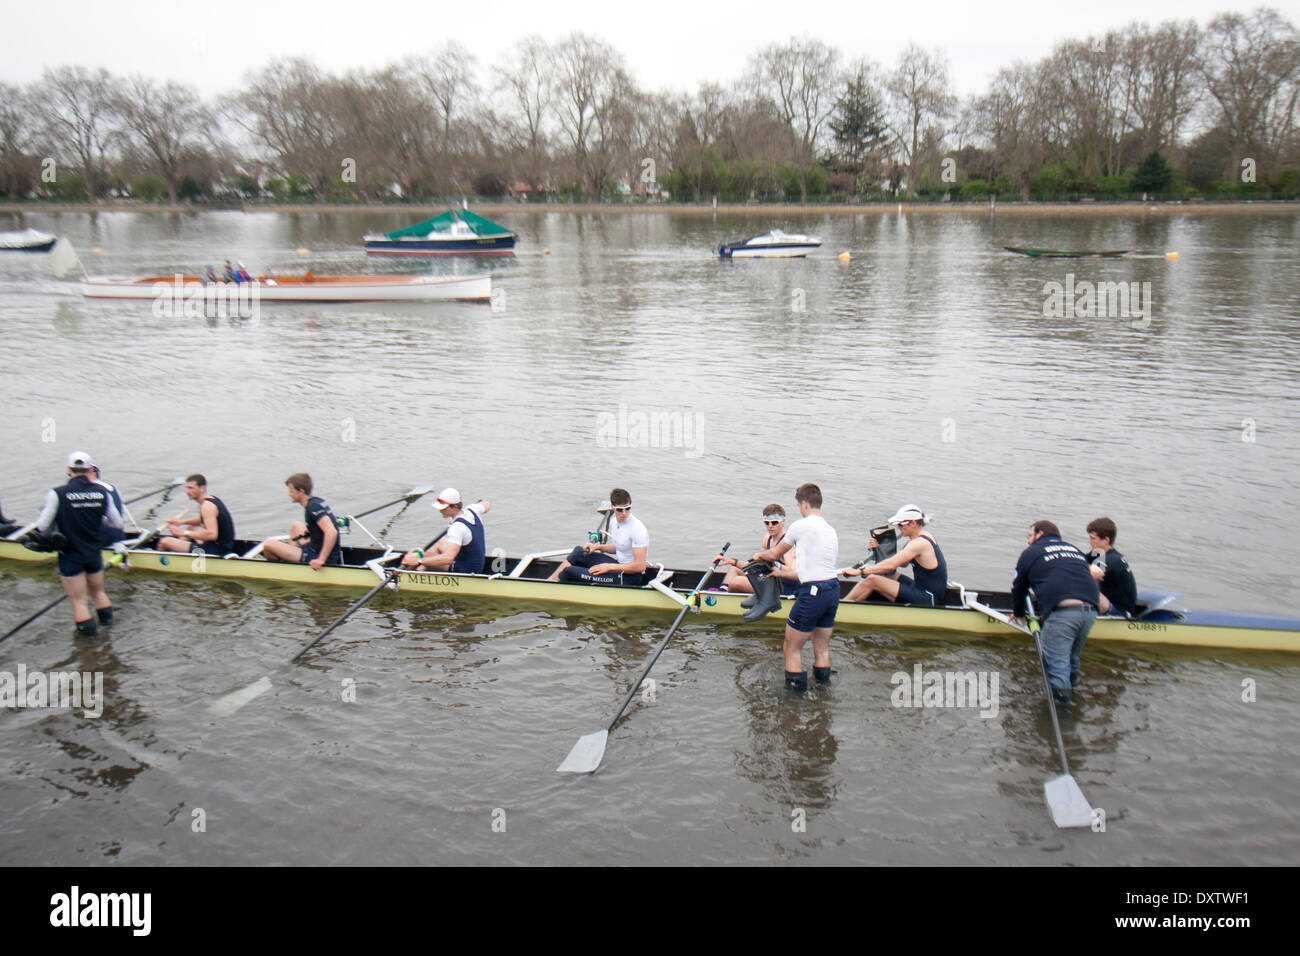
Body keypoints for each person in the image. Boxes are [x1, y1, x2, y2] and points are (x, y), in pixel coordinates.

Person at [753, 483, 839, 692]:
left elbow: (773, 554)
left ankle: (794, 700)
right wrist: (781, 574)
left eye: (799, 505)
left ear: (804, 504)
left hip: (813, 592)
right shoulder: (830, 529)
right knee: (821, 647)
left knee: (791, 648)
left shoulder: (800, 526)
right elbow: (810, 566)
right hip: (833, 590)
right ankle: (822, 691)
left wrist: (757, 556)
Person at [31, 451, 124, 636]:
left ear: (68, 470)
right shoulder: (102, 493)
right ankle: (108, 632)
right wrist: (97, 519)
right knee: (99, 593)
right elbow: (117, 523)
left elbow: (41, 526)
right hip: (93, 553)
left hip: (71, 554)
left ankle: (89, 646)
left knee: (79, 601)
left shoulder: (57, 493)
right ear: (90, 469)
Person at [1011, 520, 1100, 708]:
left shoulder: (1032, 553)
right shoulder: (1073, 549)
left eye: (1030, 536)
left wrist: (1019, 613)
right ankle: (1072, 697)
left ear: (1040, 534)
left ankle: (1061, 710)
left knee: (1056, 666)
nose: (1028, 541)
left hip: (1063, 613)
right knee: (1071, 659)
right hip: (1090, 610)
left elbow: (1019, 587)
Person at [842, 504, 948, 606]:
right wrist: (879, 549)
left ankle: (840, 608)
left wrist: (858, 572)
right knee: (889, 575)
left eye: (901, 524)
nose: (898, 528)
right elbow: (902, 563)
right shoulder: (920, 537)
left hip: (928, 598)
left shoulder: (919, 543)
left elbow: (891, 565)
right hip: (920, 589)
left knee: (871, 580)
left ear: (913, 523)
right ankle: (850, 602)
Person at [547, 488, 648, 585]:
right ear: (613, 507)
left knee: (568, 571)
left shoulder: (637, 529)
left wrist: (609, 567)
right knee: (578, 551)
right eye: (620, 510)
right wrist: (598, 547)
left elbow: (640, 566)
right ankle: (550, 581)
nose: (624, 513)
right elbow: (618, 547)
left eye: (627, 508)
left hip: (628, 578)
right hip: (618, 566)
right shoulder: (614, 521)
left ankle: (553, 590)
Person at [714, 504, 799, 599]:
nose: (770, 526)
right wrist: (733, 561)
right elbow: (758, 565)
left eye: (774, 523)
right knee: (734, 569)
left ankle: (723, 600)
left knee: (736, 582)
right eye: (767, 523)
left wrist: (774, 564)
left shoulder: (787, 544)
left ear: (783, 522)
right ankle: (721, 594)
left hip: (784, 588)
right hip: (770, 579)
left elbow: (792, 571)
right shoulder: (767, 538)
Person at [259, 473, 342, 569]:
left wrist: (321, 560)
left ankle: (287, 567)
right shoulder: (316, 501)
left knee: (268, 545)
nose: (289, 494)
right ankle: (291, 558)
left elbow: (332, 532)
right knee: (296, 526)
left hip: (318, 556)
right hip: (317, 548)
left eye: (291, 491)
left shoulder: (312, 507)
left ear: (301, 491)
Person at [401, 488, 490, 573]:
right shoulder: (472, 509)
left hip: (463, 570)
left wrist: (419, 561)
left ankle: (408, 574)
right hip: (477, 565)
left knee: (414, 553)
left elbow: (448, 558)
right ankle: (422, 569)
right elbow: (486, 504)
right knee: (439, 543)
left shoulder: (457, 527)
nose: (440, 510)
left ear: (454, 506)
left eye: (443, 508)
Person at [157, 474, 237, 556]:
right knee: (192, 528)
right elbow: (202, 519)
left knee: (164, 542)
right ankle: (181, 553)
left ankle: (168, 561)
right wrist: (180, 522)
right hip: (224, 545)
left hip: (215, 551)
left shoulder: (206, 506)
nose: (187, 492)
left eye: (191, 488)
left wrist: (183, 532)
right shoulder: (211, 500)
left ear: (202, 488)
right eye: (187, 488)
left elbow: (212, 535)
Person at [1086, 517, 1137, 617]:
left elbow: (1091, 573)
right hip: (1107, 603)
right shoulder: (1097, 554)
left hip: (1120, 611)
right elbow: (1076, 561)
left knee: (1083, 582)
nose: (1089, 541)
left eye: (1093, 538)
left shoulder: (1113, 559)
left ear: (1106, 540)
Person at [89, 465, 128, 548]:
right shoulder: (114, 488)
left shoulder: (90, 491)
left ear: (92, 473)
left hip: (102, 540)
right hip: (119, 538)